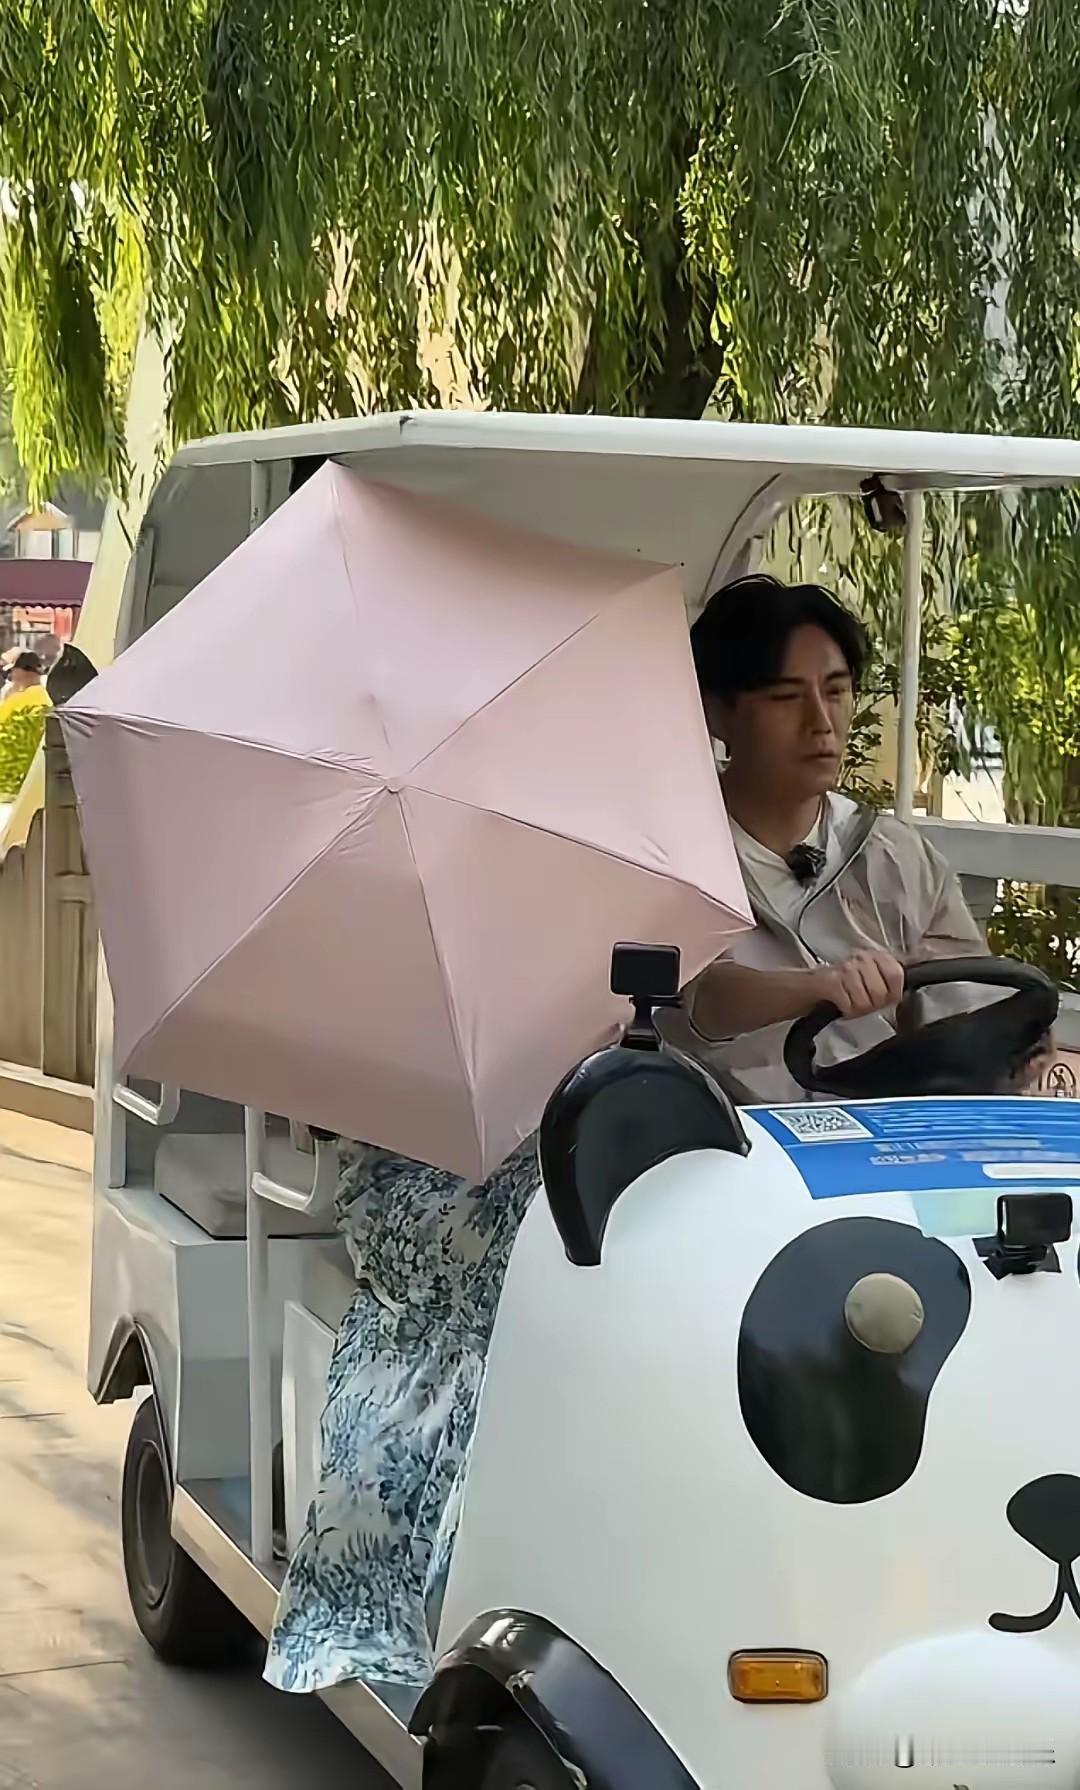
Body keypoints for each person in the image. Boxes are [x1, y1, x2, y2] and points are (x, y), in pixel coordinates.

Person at [661, 574, 999, 1103]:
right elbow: (693, 999)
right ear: (716, 712)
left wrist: (1005, 1043)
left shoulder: (896, 856)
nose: (821, 722)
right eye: (785, 697)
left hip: (882, 1134)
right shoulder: (670, 856)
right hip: (729, 1137)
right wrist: (820, 986)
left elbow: (970, 1006)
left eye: (836, 691)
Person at [0, 651, 52, 803]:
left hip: (6, 777)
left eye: (13, 671)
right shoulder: (45, 699)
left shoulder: (21, 700)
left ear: (22, 671)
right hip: (24, 779)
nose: (12, 676)